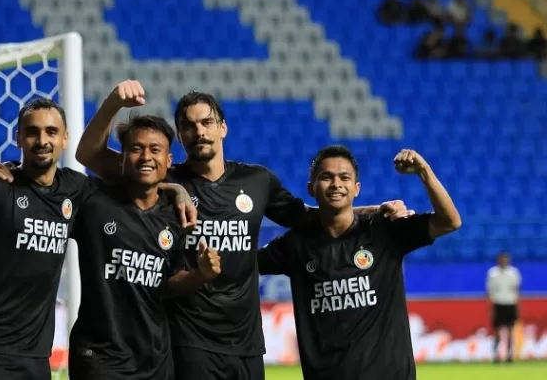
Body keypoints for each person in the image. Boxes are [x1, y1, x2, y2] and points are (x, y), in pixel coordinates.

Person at [69, 80, 413, 380]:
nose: (199, 131)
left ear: (223, 128)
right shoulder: (161, 176)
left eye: (207, 122)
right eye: (188, 126)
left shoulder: (257, 180)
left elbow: (309, 216)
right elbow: (88, 154)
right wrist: (115, 104)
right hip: (189, 338)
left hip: (247, 340)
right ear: (180, 138)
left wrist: (369, 211)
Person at [0, 99, 192, 380]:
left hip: (36, 353)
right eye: (32, 132)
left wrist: (174, 189)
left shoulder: (76, 189)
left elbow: (135, 181)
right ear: (18, 138)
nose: (42, 140)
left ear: (64, 139)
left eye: (51, 132)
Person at [257, 145, 462, 380]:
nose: (336, 184)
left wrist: (423, 171)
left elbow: (450, 222)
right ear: (311, 189)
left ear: (356, 189)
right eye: (326, 177)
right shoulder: (295, 244)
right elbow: (244, 265)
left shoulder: (385, 230)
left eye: (344, 177)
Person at [67, 114, 221, 380]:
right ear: (123, 158)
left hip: (154, 361)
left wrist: (201, 275)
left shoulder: (177, 217)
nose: (146, 156)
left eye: (155, 150)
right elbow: (47, 180)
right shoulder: (93, 200)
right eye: (136, 149)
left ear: (168, 161)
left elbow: (168, 283)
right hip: (99, 358)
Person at [487, 251, 521, 363]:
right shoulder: (492, 273)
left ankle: (509, 355)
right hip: (498, 304)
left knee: (511, 331)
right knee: (497, 331)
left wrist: (517, 306)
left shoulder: (513, 273)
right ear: (498, 260)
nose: (503, 261)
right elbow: (490, 291)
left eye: (505, 259)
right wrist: (490, 308)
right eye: (501, 259)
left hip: (510, 303)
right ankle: (496, 355)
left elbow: (516, 290)